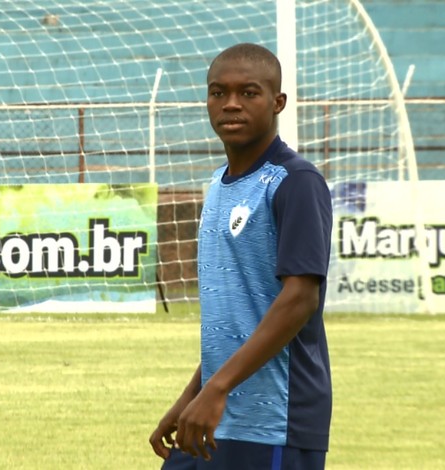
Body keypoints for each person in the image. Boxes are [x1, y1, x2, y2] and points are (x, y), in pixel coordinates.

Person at [149, 43, 333, 469]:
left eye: (248, 93)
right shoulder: (218, 184)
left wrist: (216, 389)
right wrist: (192, 395)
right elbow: (237, 318)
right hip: (213, 413)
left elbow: (300, 299)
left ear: (278, 102)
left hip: (274, 422)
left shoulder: (296, 181)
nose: (231, 104)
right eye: (218, 93)